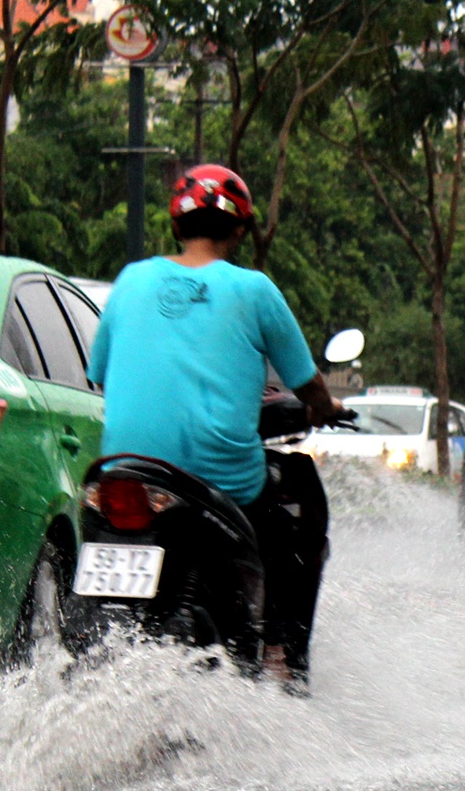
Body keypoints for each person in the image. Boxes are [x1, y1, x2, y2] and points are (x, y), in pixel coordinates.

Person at [85, 164, 346, 682]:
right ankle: (284, 659)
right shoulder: (254, 290)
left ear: (177, 226)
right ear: (240, 230)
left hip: (124, 472)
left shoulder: (131, 279)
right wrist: (326, 409)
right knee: (297, 510)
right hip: (219, 477)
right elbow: (308, 383)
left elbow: (99, 376)